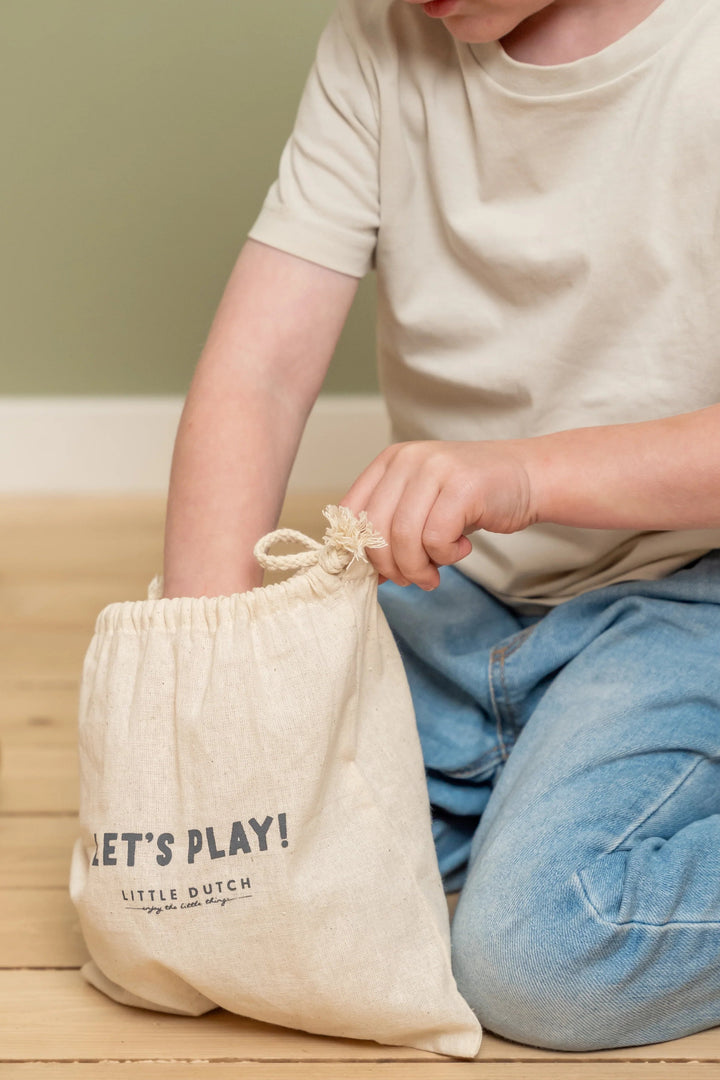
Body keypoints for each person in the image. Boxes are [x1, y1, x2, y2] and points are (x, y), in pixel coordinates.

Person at [160, 0, 720, 1053]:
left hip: (690, 588)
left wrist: (523, 473)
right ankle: (540, 769)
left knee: (543, 955)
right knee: (226, 859)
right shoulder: (375, 44)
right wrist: (208, 684)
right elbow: (260, 374)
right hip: (462, 601)